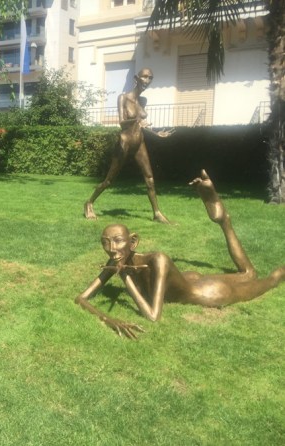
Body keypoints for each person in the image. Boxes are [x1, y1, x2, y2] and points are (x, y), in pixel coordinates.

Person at [76, 170, 285, 339]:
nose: (112, 248)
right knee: (247, 274)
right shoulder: (117, 257)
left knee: (264, 279)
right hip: (190, 280)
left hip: (211, 293)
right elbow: (81, 298)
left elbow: (153, 316)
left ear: (133, 242)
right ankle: (224, 221)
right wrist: (108, 320)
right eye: (105, 243)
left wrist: (125, 278)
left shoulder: (158, 260)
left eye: (118, 241)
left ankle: (275, 269)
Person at [85, 68, 173, 224]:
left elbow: (142, 125)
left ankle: (157, 213)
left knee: (150, 178)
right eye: (145, 77)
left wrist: (156, 133)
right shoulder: (123, 98)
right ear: (136, 78)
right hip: (125, 142)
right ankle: (89, 202)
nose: (147, 80)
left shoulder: (143, 101)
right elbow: (122, 122)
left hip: (139, 142)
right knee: (109, 180)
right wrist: (136, 121)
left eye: (150, 78)